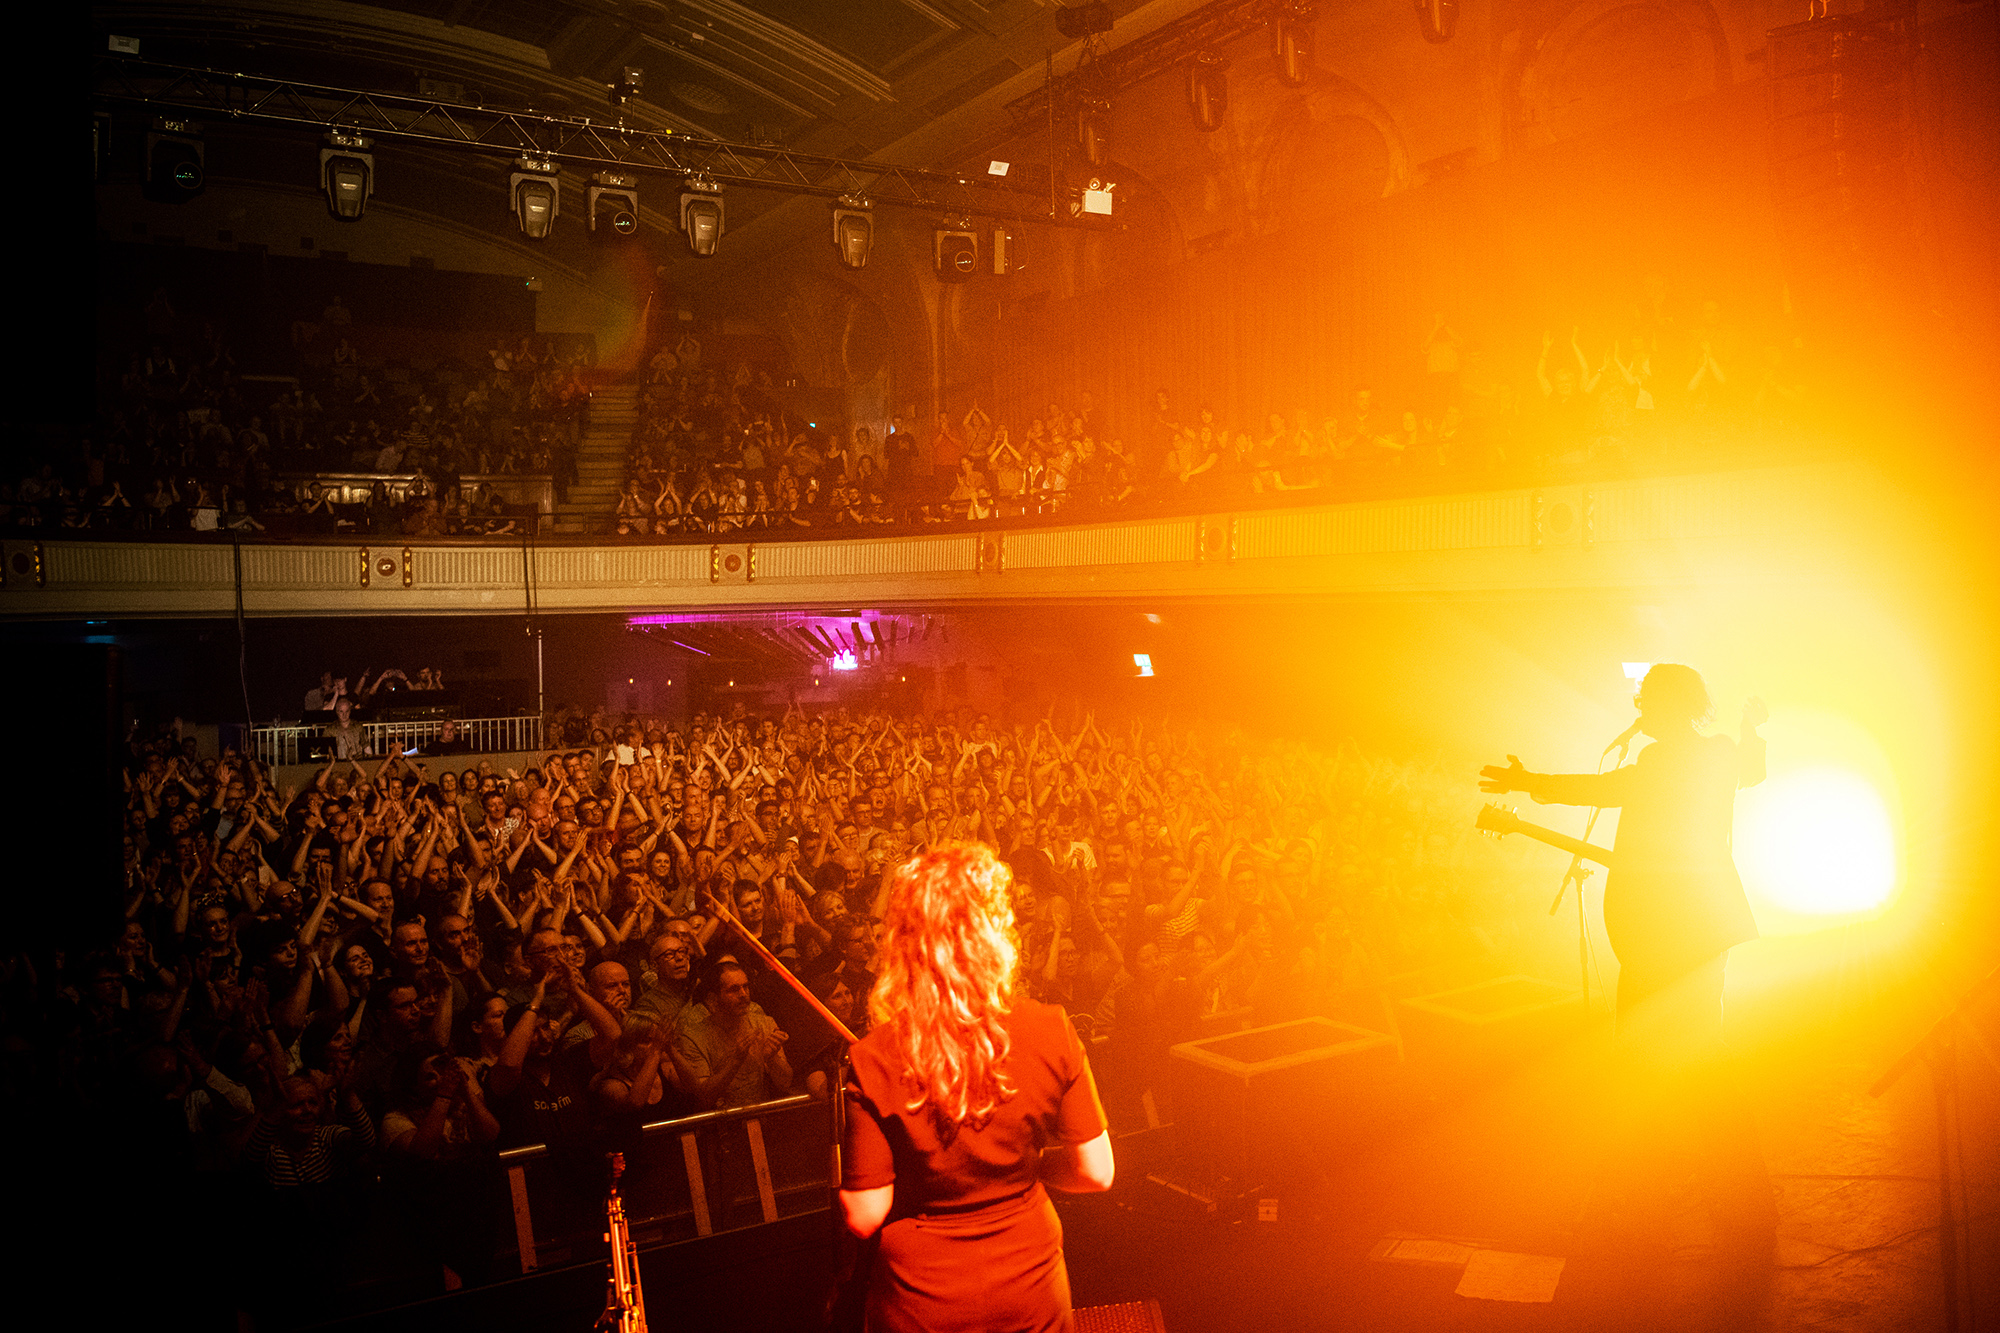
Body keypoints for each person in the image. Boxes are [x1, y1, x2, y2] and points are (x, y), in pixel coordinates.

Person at [1479, 663, 1773, 1244]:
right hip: (1701, 927)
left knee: (1653, 1056)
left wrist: (1528, 780)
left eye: (1649, 703)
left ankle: (1670, 1191)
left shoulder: (1666, 762)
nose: (1641, 712)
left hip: (1662, 931)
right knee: (1693, 1054)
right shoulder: (1716, 755)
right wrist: (1750, 730)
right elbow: (1753, 771)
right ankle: (1733, 1195)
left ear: (1670, 705)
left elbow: (1602, 791)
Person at [839, 844, 1113, 1333]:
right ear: (992, 930)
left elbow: (864, 1214)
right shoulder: (1050, 1028)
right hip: (1029, 1287)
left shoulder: (873, 1056)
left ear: (904, 940)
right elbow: (1096, 1172)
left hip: (924, 1297)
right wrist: (1027, 1169)